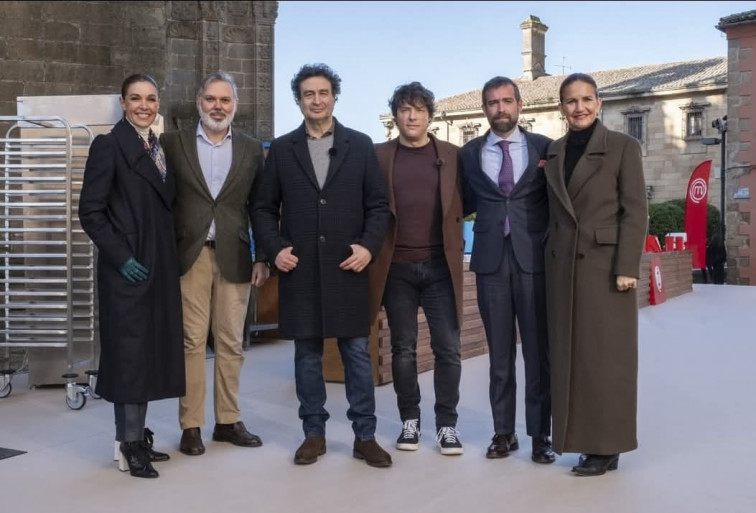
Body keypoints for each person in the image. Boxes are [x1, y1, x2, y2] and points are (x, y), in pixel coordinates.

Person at [252, 63, 392, 468]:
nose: (317, 99)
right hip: (300, 270)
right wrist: (275, 248)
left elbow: (378, 206)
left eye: (324, 92)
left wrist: (367, 246)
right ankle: (313, 434)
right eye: (308, 93)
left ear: (334, 96)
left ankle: (365, 436)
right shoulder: (280, 149)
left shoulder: (361, 145)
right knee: (307, 355)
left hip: (348, 266)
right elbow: (263, 207)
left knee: (356, 354)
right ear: (298, 100)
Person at [78, 73, 185, 478]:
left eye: (151, 99)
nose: (144, 105)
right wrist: (121, 256)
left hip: (156, 267)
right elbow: (91, 210)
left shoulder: (157, 147)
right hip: (127, 271)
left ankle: (137, 437)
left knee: (147, 355)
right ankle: (127, 443)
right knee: (128, 358)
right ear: (122, 103)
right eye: (136, 98)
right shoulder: (109, 145)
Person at [543, 73, 648, 476]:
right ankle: (581, 441)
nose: (579, 107)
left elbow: (635, 210)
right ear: (561, 107)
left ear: (599, 102)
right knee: (573, 360)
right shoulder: (554, 151)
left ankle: (608, 446)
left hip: (606, 270)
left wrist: (627, 267)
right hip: (562, 269)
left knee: (607, 360)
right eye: (571, 101)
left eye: (587, 99)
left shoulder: (623, 147)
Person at [160, 71, 269, 457]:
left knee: (230, 342)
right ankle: (191, 426)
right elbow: (161, 202)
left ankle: (227, 421)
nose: (217, 106)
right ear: (198, 102)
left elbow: (260, 206)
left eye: (225, 100)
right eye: (211, 99)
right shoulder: (172, 144)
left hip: (236, 256)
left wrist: (262, 256)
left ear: (234, 105)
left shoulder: (252, 149)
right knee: (190, 341)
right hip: (188, 255)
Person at [459, 76, 554, 464]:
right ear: (485, 109)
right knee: (499, 355)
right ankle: (503, 433)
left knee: (537, 353)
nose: (501, 108)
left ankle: (539, 436)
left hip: (534, 260)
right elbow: (460, 201)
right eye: (493, 103)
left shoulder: (545, 148)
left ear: (519, 105)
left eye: (507, 101)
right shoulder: (468, 154)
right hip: (490, 262)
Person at [368, 82, 465, 455]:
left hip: (440, 268)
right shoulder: (378, 156)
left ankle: (447, 426)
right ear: (395, 114)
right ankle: (410, 421)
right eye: (405, 109)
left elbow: (463, 203)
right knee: (403, 349)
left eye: (419, 110)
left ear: (430, 115)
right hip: (396, 269)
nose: (412, 116)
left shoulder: (453, 155)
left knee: (448, 348)